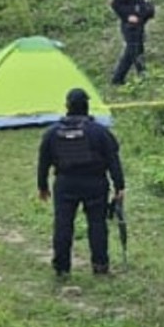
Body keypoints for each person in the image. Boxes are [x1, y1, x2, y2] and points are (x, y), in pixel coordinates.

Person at [37, 88, 125, 277]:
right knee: (97, 225)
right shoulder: (99, 132)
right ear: (87, 105)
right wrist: (119, 186)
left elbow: (43, 161)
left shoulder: (52, 133)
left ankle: (61, 268)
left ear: (67, 106)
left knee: (63, 225)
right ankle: (100, 266)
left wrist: (42, 186)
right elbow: (113, 159)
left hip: (65, 183)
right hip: (95, 183)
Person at [110, 0, 155, 85]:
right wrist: (128, 16)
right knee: (130, 52)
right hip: (130, 27)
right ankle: (117, 78)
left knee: (139, 50)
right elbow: (116, 5)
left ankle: (142, 73)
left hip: (139, 25)